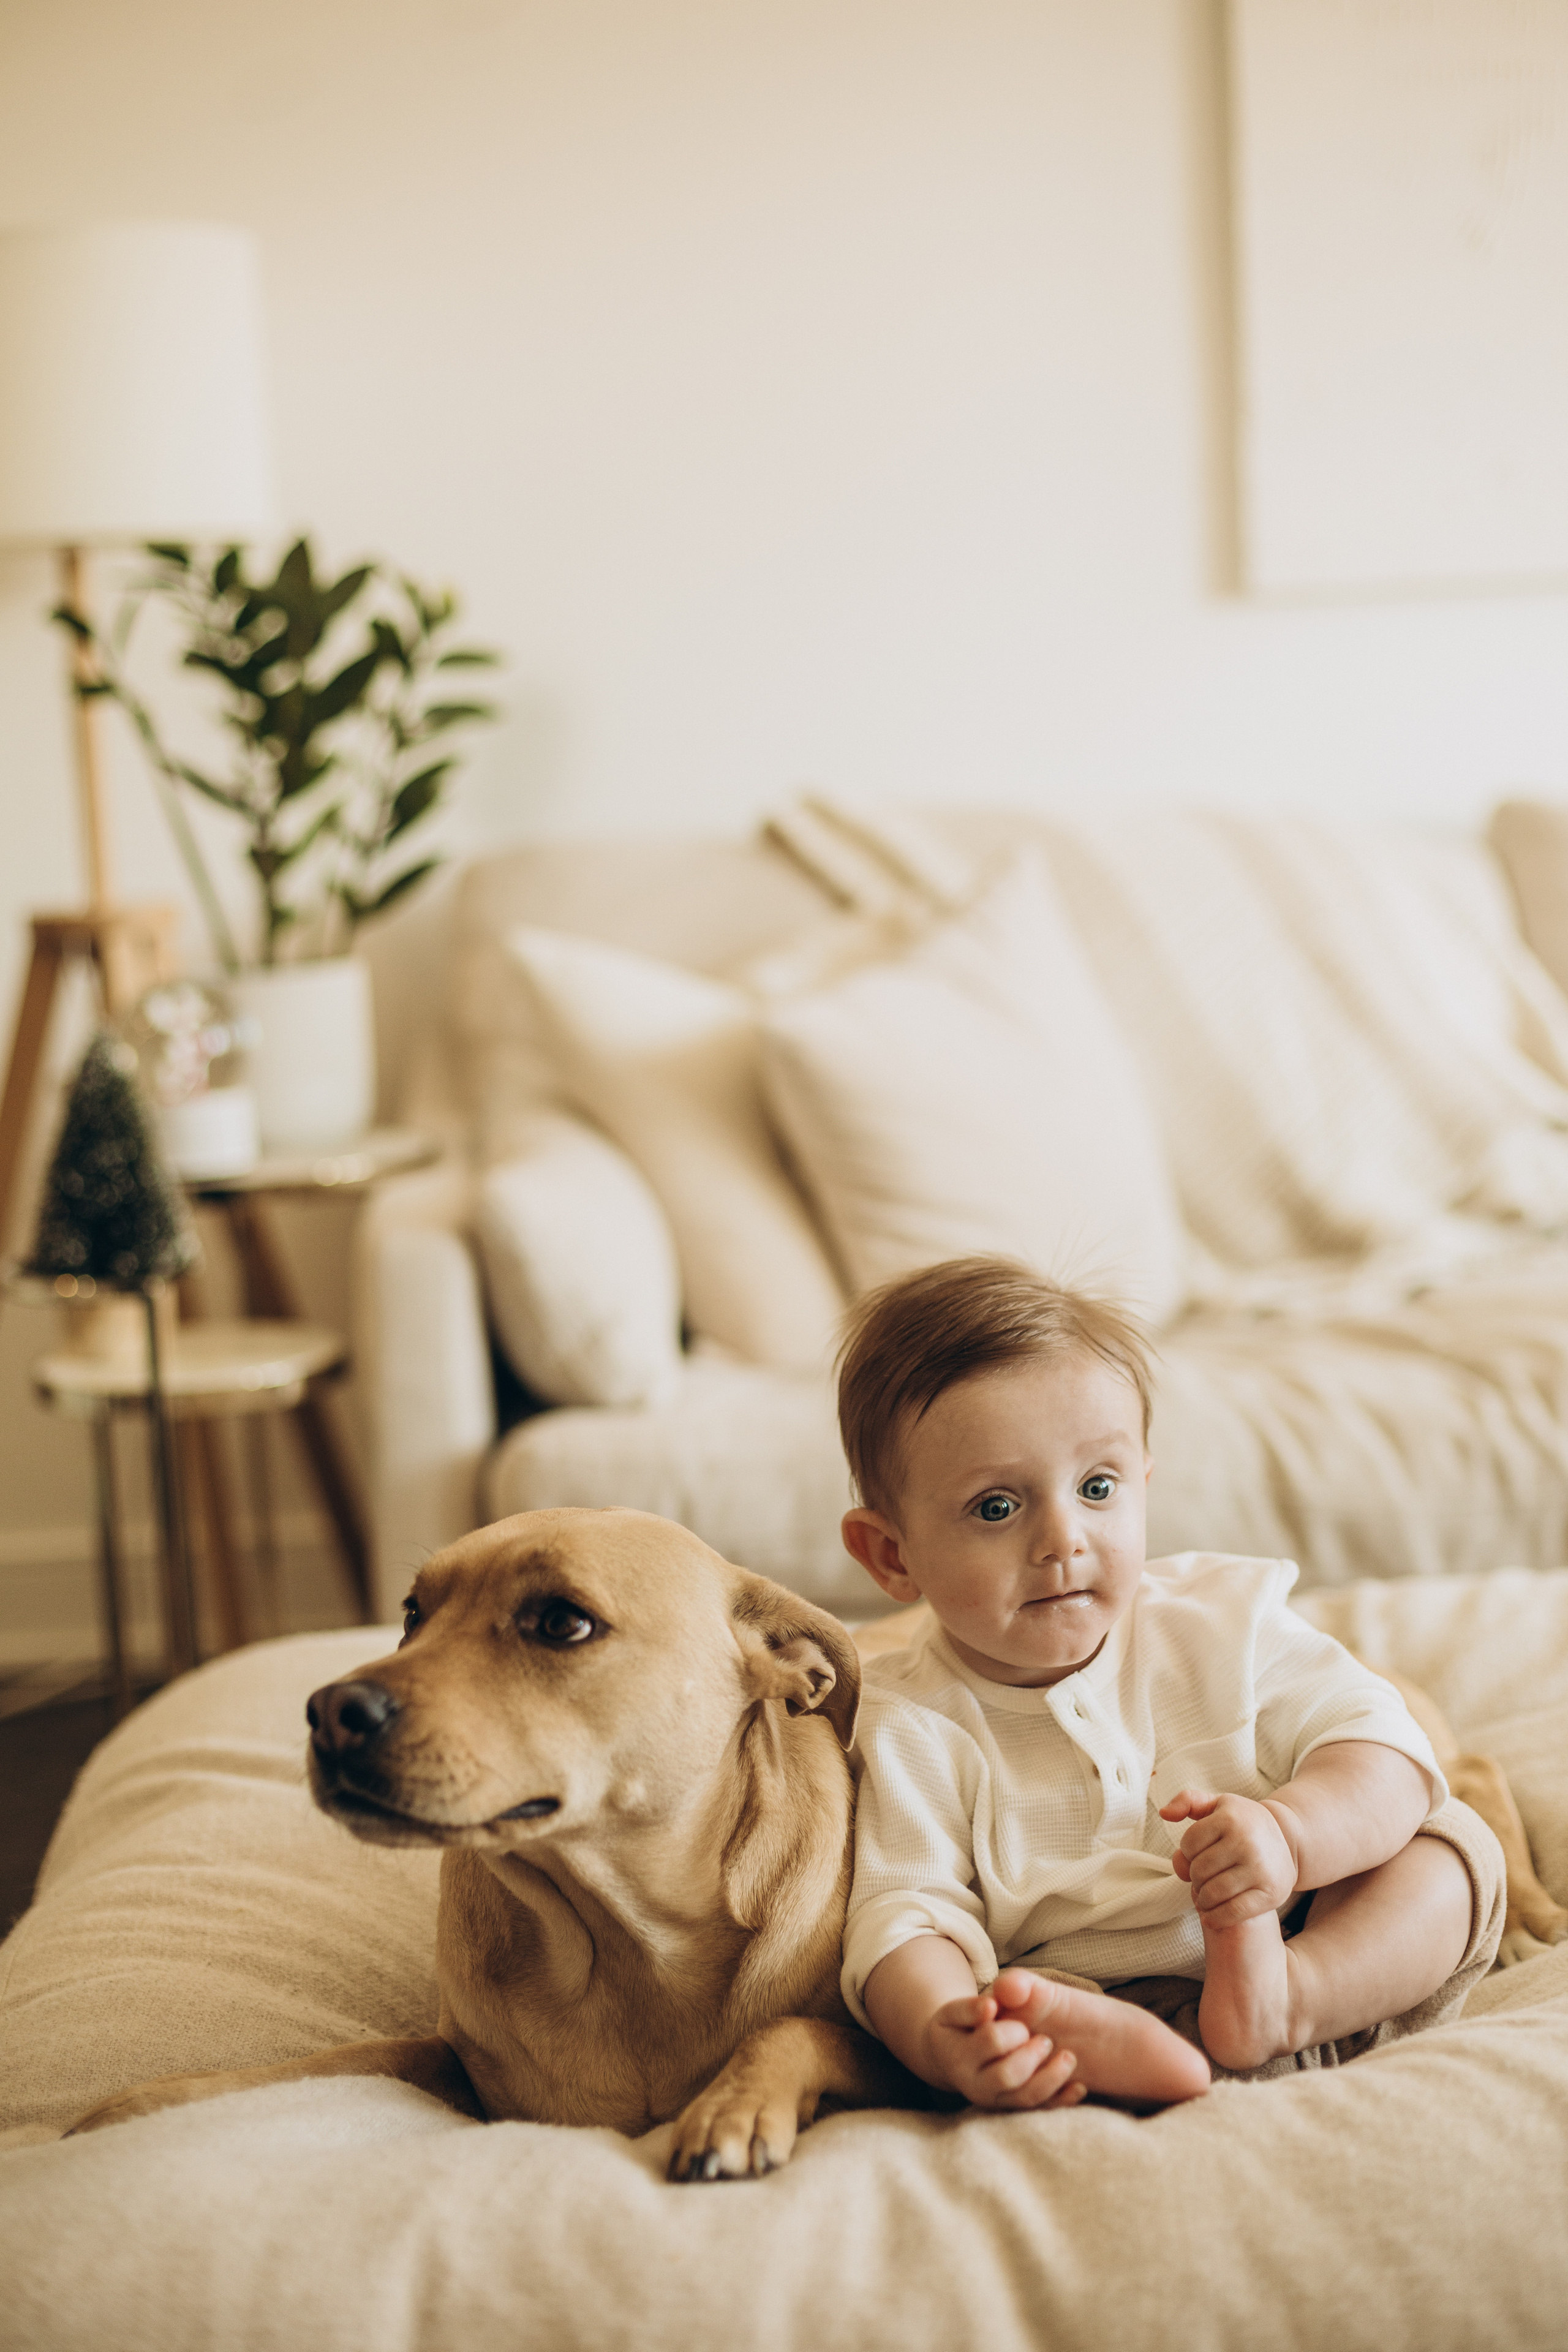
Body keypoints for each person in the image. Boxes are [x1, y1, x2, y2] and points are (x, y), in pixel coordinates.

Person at [837, 1257, 1504, 2113]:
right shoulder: (910, 1721)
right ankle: (1152, 2052)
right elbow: (905, 1911)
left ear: (1143, 1486)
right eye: (997, 1508)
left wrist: (1289, 1837)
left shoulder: (1217, 1619)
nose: (1062, 1539)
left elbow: (1380, 1742)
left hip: (1295, 1937)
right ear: (892, 1556)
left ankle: (1291, 1999)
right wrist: (944, 2029)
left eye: (1097, 1488)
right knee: (1009, 1996)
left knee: (1448, 1848)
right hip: (1087, 2002)